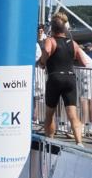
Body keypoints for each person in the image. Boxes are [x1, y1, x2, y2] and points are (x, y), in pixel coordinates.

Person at [37, 12, 88, 145]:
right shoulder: (73, 43)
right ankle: (79, 143)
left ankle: (50, 141)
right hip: (70, 78)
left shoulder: (50, 40)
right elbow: (83, 62)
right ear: (64, 28)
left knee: (49, 114)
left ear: (52, 29)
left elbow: (47, 51)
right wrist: (70, 61)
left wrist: (42, 62)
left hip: (55, 78)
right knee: (72, 114)